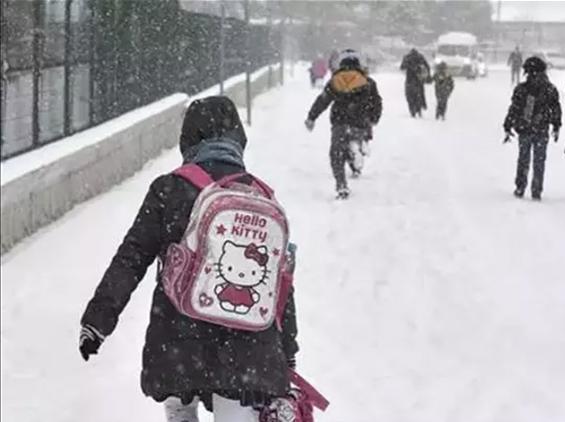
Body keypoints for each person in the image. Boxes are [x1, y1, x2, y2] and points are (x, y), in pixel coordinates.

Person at [79, 96, 299, 422]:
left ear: (188, 139)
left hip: (178, 340)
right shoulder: (260, 196)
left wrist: (97, 321)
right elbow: (279, 284)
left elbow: (132, 257)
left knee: (180, 409)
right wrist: (287, 351)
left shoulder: (169, 189)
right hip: (247, 350)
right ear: (238, 138)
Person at [305, 50, 383, 199]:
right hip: (360, 122)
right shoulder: (368, 82)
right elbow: (376, 103)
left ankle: (341, 185)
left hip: (340, 122)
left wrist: (311, 117)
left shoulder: (335, 81)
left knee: (336, 154)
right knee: (356, 140)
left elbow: (323, 101)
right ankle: (358, 150)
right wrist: (374, 118)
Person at [503, 57, 562, 201]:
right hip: (541, 129)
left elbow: (514, 109)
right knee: (539, 160)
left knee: (524, 158)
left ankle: (520, 186)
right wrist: (556, 125)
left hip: (525, 128)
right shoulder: (550, 89)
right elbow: (556, 109)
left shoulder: (522, 89)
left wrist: (508, 124)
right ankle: (536, 189)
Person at [400, 48, 431, 118]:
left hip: (409, 80)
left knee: (410, 96)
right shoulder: (420, 57)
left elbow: (402, 67)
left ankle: (413, 110)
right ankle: (419, 108)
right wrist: (428, 76)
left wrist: (409, 66)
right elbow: (427, 66)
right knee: (419, 95)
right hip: (419, 80)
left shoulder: (407, 57)